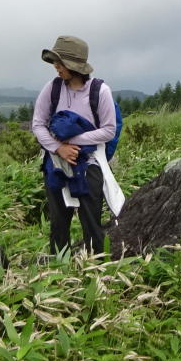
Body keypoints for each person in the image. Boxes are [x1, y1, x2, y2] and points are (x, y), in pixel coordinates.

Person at [30, 36, 118, 256]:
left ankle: (97, 267)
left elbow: (109, 130)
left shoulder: (100, 92)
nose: (57, 68)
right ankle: (60, 270)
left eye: (60, 64)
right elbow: (38, 124)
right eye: (55, 63)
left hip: (89, 165)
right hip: (57, 165)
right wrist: (58, 148)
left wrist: (72, 142)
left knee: (92, 222)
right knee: (59, 224)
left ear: (73, 65)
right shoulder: (52, 89)